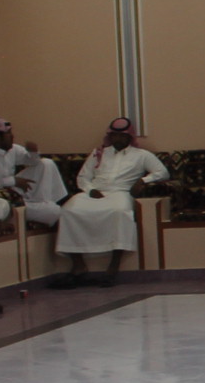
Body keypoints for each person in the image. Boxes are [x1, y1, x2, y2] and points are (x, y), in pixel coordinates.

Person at [53, 117, 166, 287]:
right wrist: (91, 190)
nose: (118, 139)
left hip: (121, 193)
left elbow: (162, 172)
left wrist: (143, 180)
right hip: (93, 193)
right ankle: (78, 265)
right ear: (110, 136)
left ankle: (113, 267)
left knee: (120, 212)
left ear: (129, 137)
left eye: (122, 136)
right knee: (68, 211)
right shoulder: (98, 153)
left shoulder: (141, 155)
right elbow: (83, 177)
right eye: (114, 135)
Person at [0, 117, 65, 230]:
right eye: (9, 133)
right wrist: (13, 181)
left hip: (16, 192)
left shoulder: (13, 149)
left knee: (46, 163)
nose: (12, 136)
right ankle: (42, 209)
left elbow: (33, 162)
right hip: (2, 199)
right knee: (55, 211)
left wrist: (33, 152)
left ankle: (43, 201)